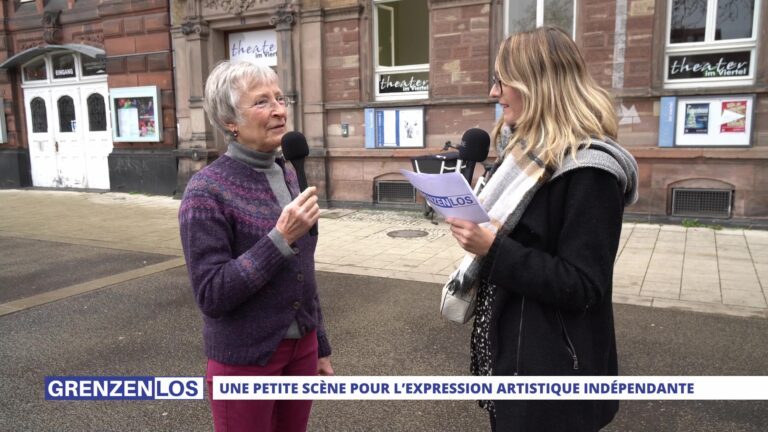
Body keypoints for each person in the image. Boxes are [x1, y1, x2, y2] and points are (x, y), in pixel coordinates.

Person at [443, 26, 638, 431]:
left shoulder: (590, 171)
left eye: (502, 81)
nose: (494, 93)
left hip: (555, 381)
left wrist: (492, 247)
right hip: (513, 362)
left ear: (537, 84)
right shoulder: (525, 156)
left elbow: (583, 284)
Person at [179, 59, 333, 432]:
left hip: (301, 348)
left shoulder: (288, 171)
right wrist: (279, 239)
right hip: (246, 357)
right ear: (230, 120)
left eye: (280, 98)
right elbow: (212, 293)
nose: (279, 110)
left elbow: (303, 270)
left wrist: (319, 343)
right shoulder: (206, 191)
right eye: (262, 102)